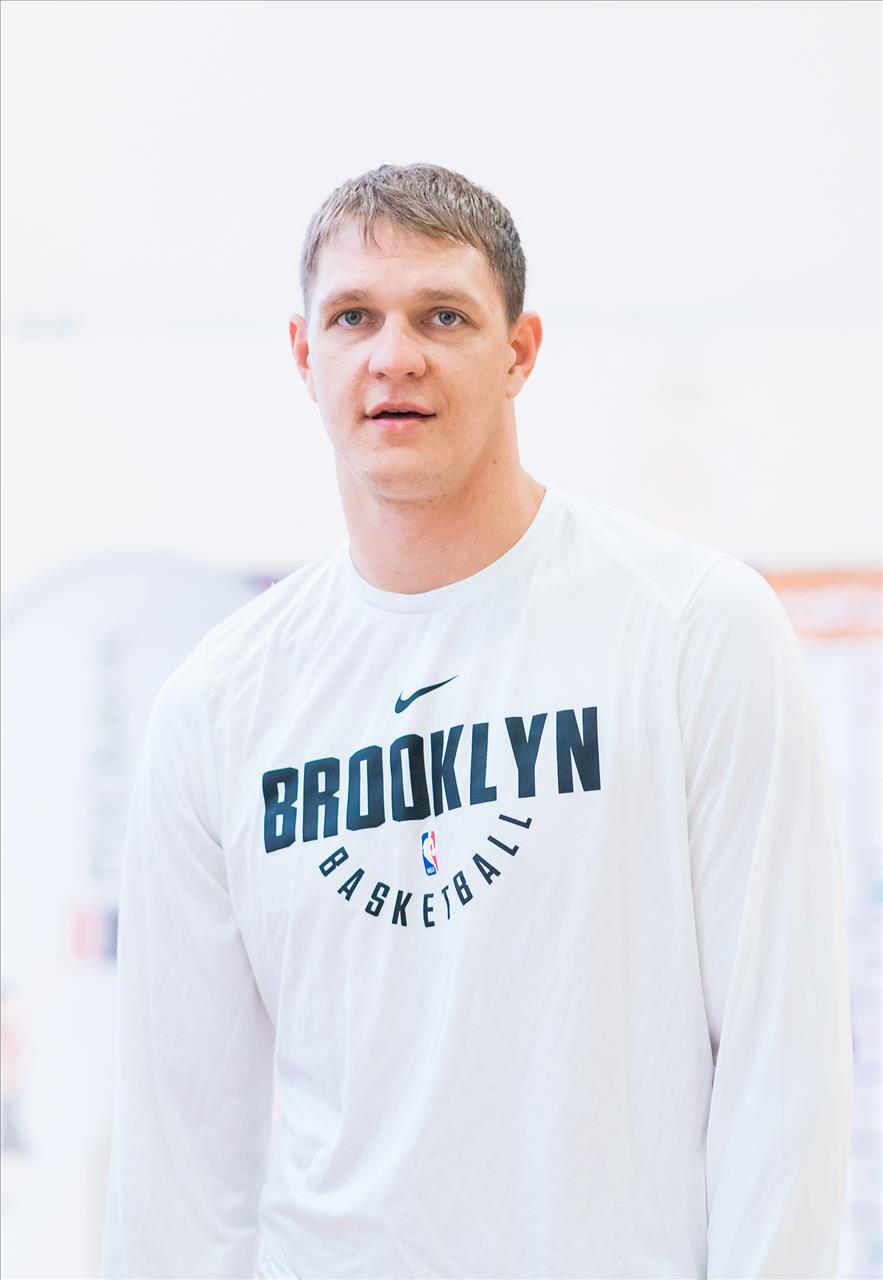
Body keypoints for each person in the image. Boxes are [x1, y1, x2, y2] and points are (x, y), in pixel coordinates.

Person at [99, 163, 854, 1280]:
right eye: (353, 317)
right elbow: (177, 1148)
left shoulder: (693, 628)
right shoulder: (218, 705)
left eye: (442, 316)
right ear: (304, 355)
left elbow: (782, 1065)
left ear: (519, 352)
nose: (393, 355)